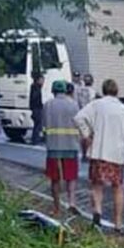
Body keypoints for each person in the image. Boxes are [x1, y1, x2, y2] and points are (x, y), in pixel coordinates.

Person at [74, 78, 124, 234]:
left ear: (103, 90)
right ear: (117, 91)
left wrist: (87, 134)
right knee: (118, 188)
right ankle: (118, 223)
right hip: (117, 155)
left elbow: (78, 118)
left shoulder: (96, 105)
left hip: (99, 152)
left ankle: (97, 213)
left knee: (97, 186)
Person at [43, 79, 80, 216]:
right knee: (71, 177)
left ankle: (57, 206)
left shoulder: (48, 105)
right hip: (71, 145)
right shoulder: (74, 105)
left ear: (53, 91)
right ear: (65, 90)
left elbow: (44, 123)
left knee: (55, 178)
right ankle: (72, 202)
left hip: (53, 146)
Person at [77, 74, 96, 159]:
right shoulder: (92, 91)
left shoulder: (79, 90)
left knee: (83, 135)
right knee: (90, 135)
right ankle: (89, 153)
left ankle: (84, 153)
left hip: (81, 113)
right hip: (90, 115)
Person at [30, 72, 45, 145]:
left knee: (38, 124)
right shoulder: (36, 87)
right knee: (37, 124)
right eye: (42, 80)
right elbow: (35, 98)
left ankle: (36, 138)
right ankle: (35, 139)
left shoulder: (36, 87)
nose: (43, 82)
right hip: (37, 108)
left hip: (36, 108)